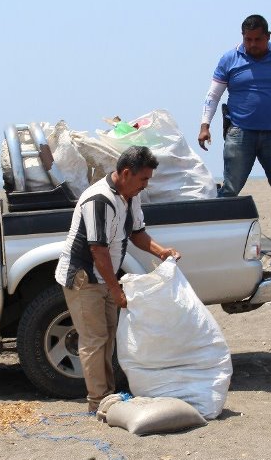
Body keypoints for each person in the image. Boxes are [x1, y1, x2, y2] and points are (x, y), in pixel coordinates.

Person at [54, 146, 181, 412]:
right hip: (84, 278)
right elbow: (97, 250)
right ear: (125, 173)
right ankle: (97, 402)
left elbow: (137, 233)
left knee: (109, 336)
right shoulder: (99, 200)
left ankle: (108, 396)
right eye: (143, 179)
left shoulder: (129, 195)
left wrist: (162, 251)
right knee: (94, 339)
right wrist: (116, 290)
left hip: (105, 275)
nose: (145, 185)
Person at [197, 14, 271, 254]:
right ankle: (217, 238)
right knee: (231, 189)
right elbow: (213, 95)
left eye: (257, 39)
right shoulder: (229, 59)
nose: (252, 44)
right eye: (247, 39)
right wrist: (204, 125)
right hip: (240, 134)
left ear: (268, 37)